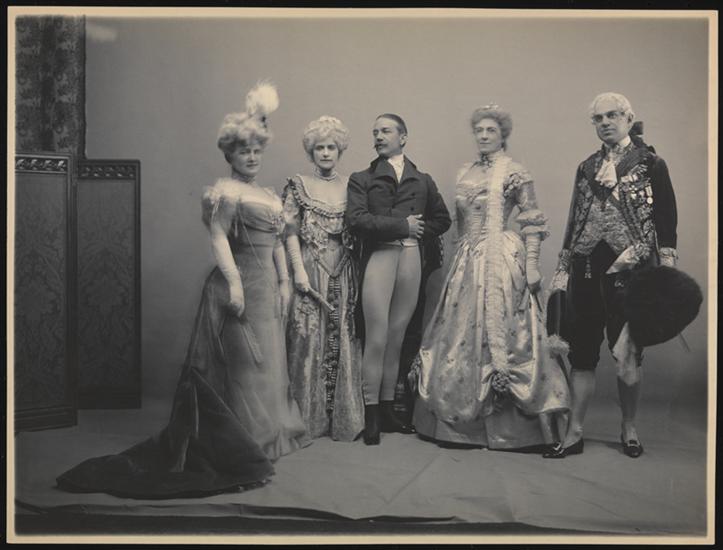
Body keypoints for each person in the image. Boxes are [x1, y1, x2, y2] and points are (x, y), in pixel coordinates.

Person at [56, 83, 308, 499]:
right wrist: (233, 283)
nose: (251, 157)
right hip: (238, 286)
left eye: (256, 151)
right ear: (229, 154)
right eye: (243, 151)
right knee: (243, 366)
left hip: (267, 290)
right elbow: (219, 237)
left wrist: (285, 283)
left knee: (268, 363)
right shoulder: (225, 192)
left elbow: (280, 240)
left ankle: (269, 435)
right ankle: (241, 441)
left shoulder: (268, 194)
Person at [411, 105, 570, 451]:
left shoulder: (515, 172)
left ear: (503, 136)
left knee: (509, 333)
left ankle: (513, 427)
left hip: (501, 258)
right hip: (467, 260)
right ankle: (459, 426)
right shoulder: (465, 172)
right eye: (479, 131)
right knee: (459, 334)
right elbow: (459, 225)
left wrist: (530, 265)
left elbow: (532, 220)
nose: (483, 136)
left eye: (490, 131)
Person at [543, 92, 678, 459]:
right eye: (598, 118)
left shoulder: (651, 162)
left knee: (628, 355)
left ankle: (629, 427)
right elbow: (574, 220)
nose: (605, 122)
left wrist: (666, 271)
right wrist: (561, 269)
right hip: (586, 268)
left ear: (629, 117)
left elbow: (666, 218)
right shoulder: (586, 167)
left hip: (632, 269)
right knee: (582, 353)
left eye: (613, 115)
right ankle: (574, 432)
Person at [346, 113, 452, 445]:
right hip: (380, 255)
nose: (378, 136)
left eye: (385, 130)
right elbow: (357, 220)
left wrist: (418, 232)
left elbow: (443, 219)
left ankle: (389, 408)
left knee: (397, 337)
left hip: (411, 260)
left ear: (403, 137)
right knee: (376, 338)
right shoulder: (361, 178)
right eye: (374, 131)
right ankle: (371, 412)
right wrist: (402, 224)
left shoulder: (422, 180)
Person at [283, 116, 364, 441]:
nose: (326, 153)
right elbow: (288, 232)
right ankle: (308, 418)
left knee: (344, 335)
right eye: (320, 148)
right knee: (307, 337)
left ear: (340, 150)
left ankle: (341, 418)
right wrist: (298, 271)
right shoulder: (298, 185)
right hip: (309, 268)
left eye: (331, 147)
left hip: (342, 271)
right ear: (311, 151)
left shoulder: (352, 186)